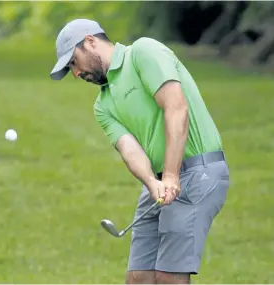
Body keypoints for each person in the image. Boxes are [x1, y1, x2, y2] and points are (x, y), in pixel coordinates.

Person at [50, 18, 230, 284]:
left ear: (90, 42)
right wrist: (151, 182)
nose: (76, 74)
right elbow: (129, 149)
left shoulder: (143, 53)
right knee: (139, 277)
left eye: (74, 63)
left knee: (168, 277)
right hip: (160, 181)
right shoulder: (103, 104)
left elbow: (176, 107)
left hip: (199, 171)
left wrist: (170, 175)